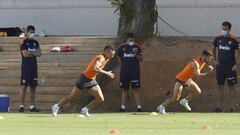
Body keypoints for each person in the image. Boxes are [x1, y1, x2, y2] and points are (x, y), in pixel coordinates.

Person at [52, 45, 115, 117]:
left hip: (91, 79)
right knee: (72, 97)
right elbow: (95, 68)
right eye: (111, 54)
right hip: (84, 78)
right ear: (106, 52)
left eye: (113, 54)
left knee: (100, 99)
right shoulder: (101, 58)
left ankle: (85, 110)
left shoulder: (107, 58)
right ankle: (56, 106)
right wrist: (107, 73)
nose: (112, 56)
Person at [157, 50, 213, 114]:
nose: (210, 60)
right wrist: (209, 72)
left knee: (198, 92)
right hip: (180, 79)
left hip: (187, 80)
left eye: (210, 58)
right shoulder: (196, 63)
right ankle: (161, 107)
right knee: (176, 98)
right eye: (209, 58)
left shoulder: (203, 62)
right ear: (203, 56)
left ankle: (184, 101)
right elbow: (198, 76)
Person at [213, 21, 240, 112]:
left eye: (225, 29)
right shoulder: (217, 38)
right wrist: (215, 59)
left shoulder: (235, 39)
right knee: (220, 86)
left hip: (230, 67)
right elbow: (213, 48)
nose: (223, 30)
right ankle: (219, 107)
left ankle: (232, 107)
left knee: (231, 86)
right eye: (222, 28)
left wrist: (236, 64)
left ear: (229, 29)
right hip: (220, 67)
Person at [117, 33, 143, 112]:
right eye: (130, 40)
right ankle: (123, 107)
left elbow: (141, 59)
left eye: (133, 40)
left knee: (136, 89)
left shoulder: (137, 47)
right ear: (127, 39)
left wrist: (136, 54)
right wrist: (123, 65)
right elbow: (118, 57)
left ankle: (139, 107)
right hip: (124, 71)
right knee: (125, 89)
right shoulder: (121, 47)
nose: (131, 41)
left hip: (134, 71)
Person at [19, 25, 41, 112]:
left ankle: (32, 106)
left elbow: (39, 53)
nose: (32, 34)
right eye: (31, 32)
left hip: (34, 67)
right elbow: (25, 54)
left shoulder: (36, 42)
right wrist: (33, 52)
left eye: (33, 32)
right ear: (27, 33)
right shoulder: (23, 42)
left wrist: (31, 53)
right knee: (24, 86)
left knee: (33, 86)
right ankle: (21, 106)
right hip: (26, 67)